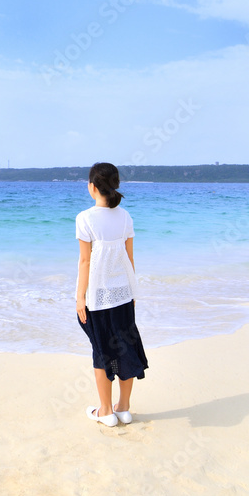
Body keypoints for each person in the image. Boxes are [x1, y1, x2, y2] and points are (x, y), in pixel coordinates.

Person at [75, 162, 149, 427]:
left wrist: (79, 297)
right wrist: (132, 291)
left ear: (92, 187)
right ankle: (124, 408)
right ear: (115, 185)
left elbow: (85, 262)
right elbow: (129, 258)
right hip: (123, 294)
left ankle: (106, 411)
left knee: (102, 350)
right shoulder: (126, 217)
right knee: (125, 346)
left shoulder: (85, 218)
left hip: (98, 296)